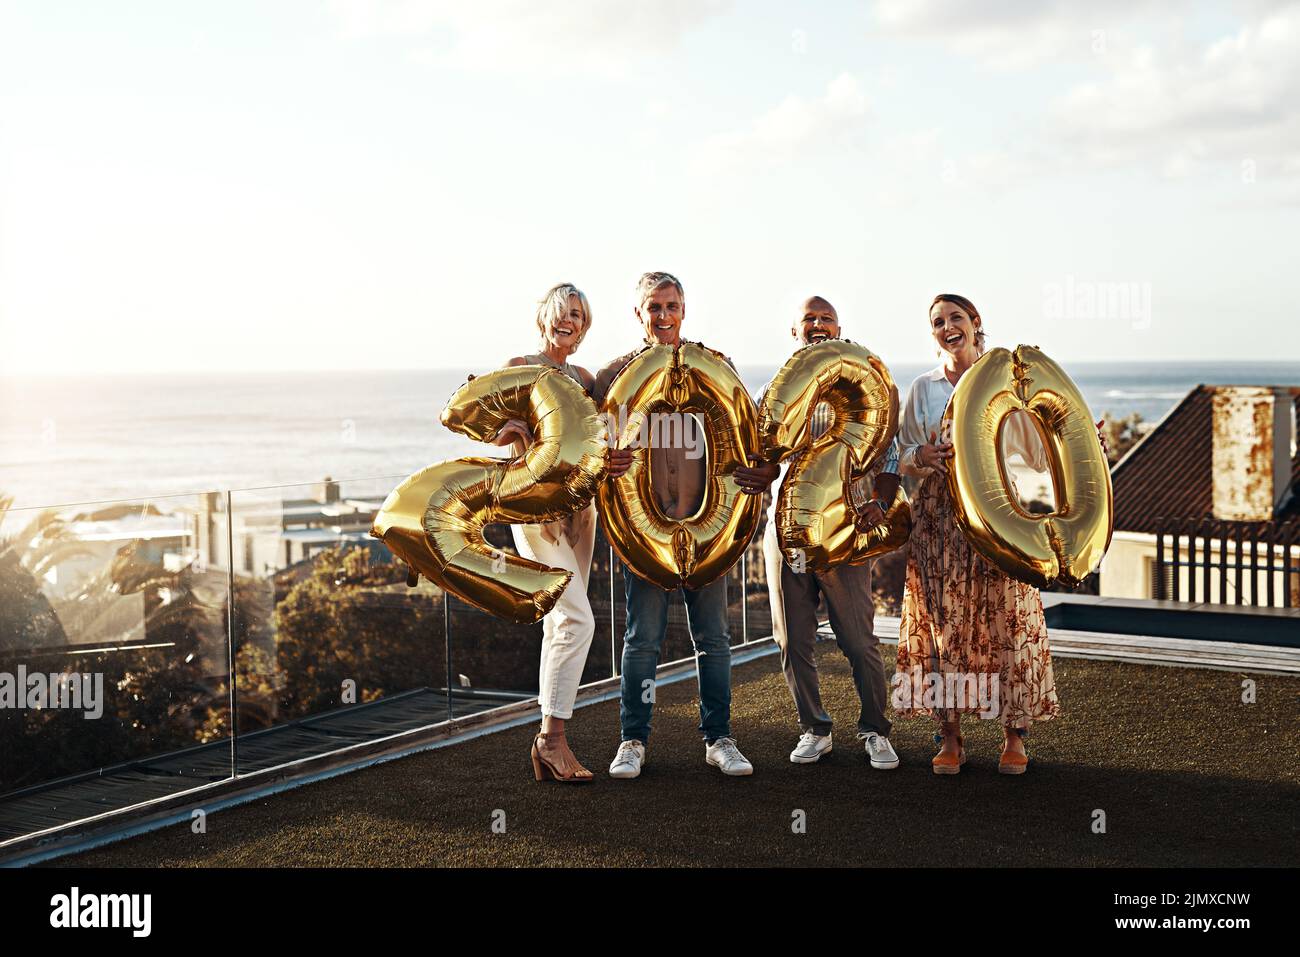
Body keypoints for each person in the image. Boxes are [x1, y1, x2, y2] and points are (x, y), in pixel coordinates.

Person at [594, 271, 776, 779]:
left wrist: (766, 470)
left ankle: (719, 738)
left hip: (708, 528)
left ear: (684, 309)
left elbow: (752, 437)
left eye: (672, 305)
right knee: (641, 639)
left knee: (713, 638)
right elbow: (585, 440)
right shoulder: (614, 376)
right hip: (643, 532)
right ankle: (633, 740)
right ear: (639, 314)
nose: (664, 315)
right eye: (654, 307)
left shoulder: (717, 368)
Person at [895, 293, 1082, 775]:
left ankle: (1014, 737)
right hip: (940, 522)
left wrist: (1087, 444)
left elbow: (1039, 448)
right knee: (944, 631)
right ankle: (950, 736)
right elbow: (903, 456)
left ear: (976, 323)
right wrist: (922, 457)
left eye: (956, 317)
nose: (947, 327)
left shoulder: (1008, 381)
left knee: (1008, 623)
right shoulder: (923, 388)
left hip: (1005, 520)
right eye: (938, 321)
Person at [757, 295, 902, 769]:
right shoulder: (774, 392)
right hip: (786, 538)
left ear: (839, 329)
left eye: (827, 319)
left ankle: (876, 730)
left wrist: (879, 502)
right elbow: (758, 461)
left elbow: (891, 455)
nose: (817, 325)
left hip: (843, 535)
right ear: (794, 332)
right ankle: (814, 728)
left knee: (858, 639)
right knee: (791, 637)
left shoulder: (863, 382)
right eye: (808, 320)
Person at [495, 282, 600, 783]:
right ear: (545, 319)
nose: (571, 321)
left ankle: (548, 739)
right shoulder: (522, 365)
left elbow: (600, 437)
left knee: (560, 623)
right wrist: (509, 434)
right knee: (579, 620)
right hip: (539, 514)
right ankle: (552, 741)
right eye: (563, 313)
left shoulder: (583, 377)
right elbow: (482, 418)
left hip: (581, 512)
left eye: (579, 315)